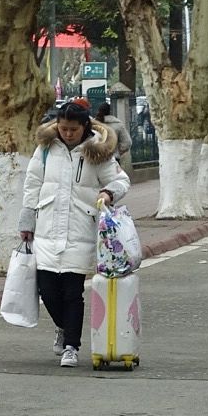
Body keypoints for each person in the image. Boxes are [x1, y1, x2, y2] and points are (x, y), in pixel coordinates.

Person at [18, 102, 130, 367]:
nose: (67, 134)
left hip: (80, 229)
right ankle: (62, 327)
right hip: (46, 228)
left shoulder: (97, 152)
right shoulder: (45, 148)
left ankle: (71, 345)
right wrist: (26, 221)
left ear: (84, 128)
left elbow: (121, 180)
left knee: (72, 292)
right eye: (63, 128)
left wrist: (108, 192)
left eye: (73, 129)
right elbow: (32, 183)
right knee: (47, 292)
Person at [95, 101, 133, 171]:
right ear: (110, 111)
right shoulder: (118, 124)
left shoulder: (95, 124)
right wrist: (118, 151)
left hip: (97, 159)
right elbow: (127, 142)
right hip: (114, 159)